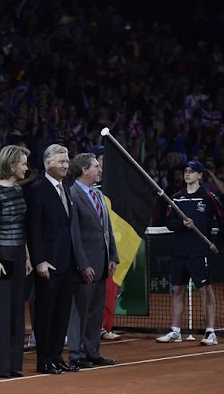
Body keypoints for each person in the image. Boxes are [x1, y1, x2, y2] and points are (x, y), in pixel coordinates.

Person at [156, 161, 224, 346]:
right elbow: (169, 223)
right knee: (178, 290)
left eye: (191, 171)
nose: (187, 174)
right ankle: (175, 331)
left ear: (200, 176)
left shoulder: (208, 197)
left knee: (205, 291)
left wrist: (217, 243)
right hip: (179, 252)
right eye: (186, 171)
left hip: (199, 252)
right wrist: (182, 224)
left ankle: (210, 332)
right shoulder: (176, 198)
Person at [26, 144, 80, 374]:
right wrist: (39, 260)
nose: (66, 165)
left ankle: (57, 356)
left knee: (62, 313)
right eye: (61, 162)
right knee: (45, 313)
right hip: (48, 263)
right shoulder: (37, 189)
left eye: (67, 162)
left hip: (68, 263)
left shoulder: (66, 190)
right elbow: (33, 228)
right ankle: (44, 360)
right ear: (48, 163)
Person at [0, 145, 33, 378]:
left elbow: (22, 226)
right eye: (23, 163)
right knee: (2, 312)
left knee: (16, 311)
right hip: (2, 255)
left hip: (18, 254)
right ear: (12, 166)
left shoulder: (18, 190)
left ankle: (13, 364)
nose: (26, 167)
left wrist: (27, 257)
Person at [68, 153, 118, 369]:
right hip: (85, 266)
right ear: (84, 170)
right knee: (79, 311)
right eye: (96, 166)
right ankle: (76, 354)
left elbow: (107, 229)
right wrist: (82, 264)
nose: (100, 170)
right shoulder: (72, 194)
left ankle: (92, 352)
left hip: (102, 263)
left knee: (96, 311)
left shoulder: (98, 195)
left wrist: (113, 256)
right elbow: (74, 234)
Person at [91, 144, 122, 342]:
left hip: (112, 246)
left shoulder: (115, 189)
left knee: (111, 290)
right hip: (92, 248)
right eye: (102, 160)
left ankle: (104, 326)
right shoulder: (85, 189)